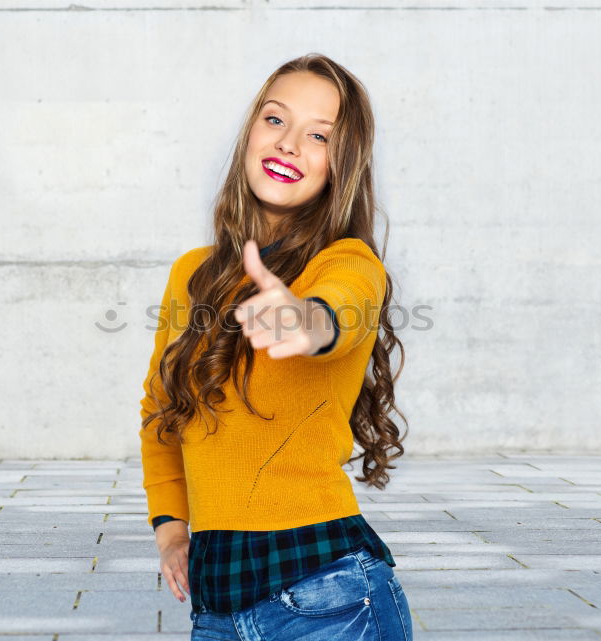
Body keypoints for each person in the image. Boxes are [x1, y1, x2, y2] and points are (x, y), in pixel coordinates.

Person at [138, 52, 412, 641]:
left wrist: (304, 322)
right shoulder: (192, 274)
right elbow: (159, 413)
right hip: (214, 605)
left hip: (329, 598)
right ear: (249, 135)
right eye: (275, 119)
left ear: (342, 165)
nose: (289, 143)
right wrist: (171, 529)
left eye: (319, 135)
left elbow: (338, 310)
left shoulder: (347, 262)